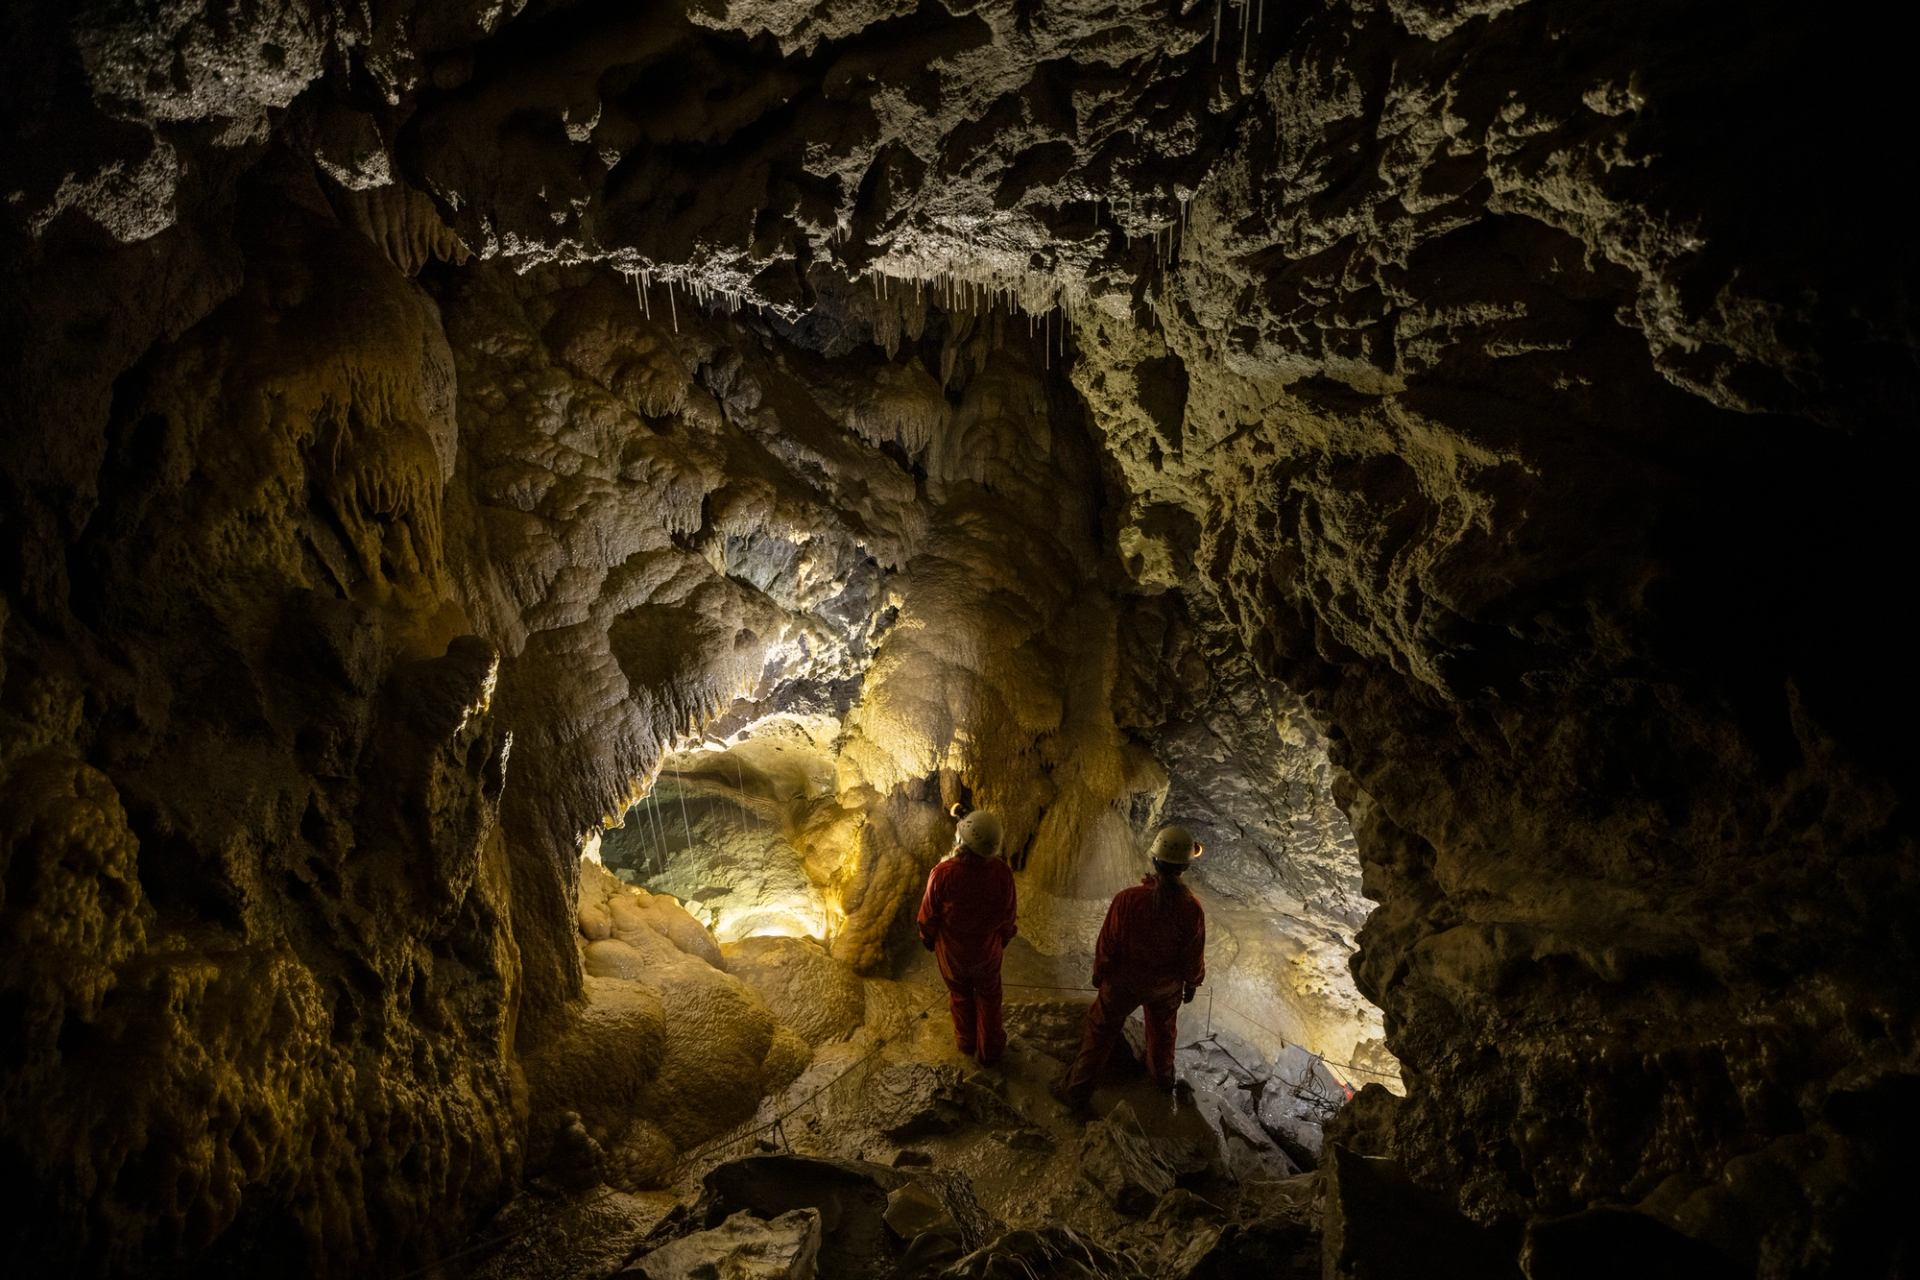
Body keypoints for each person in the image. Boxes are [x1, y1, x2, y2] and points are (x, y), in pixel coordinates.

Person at [1056, 825, 1206, 1110]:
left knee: (1099, 1034)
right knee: (1163, 1035)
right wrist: (1192, 983)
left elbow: (1108, 943)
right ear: (1184, 867)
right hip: (1165, 987)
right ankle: (1162, 1082)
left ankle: (1076, 1092)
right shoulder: (1191, 908)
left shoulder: (1128, 900)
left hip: (1122, 983)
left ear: (1154, 860)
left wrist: (1100, 973)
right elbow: (1192, 955)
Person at [917, 802, 1018, 1067]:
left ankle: (966, 1042)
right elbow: (1008, 917)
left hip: (954, 954)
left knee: (961, 996)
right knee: (989, 997)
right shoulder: (1002, 874)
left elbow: (927, 916)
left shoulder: (942, 875)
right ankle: (990, 1052)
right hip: (987, 952)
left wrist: (928, 940)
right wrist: (1002, 940)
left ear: (962, 841)